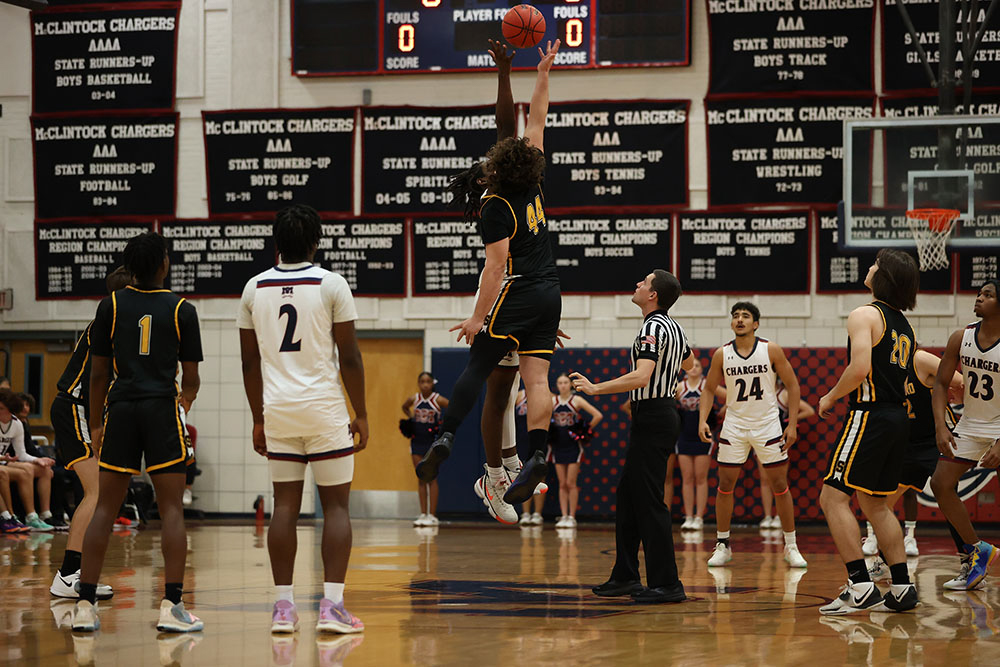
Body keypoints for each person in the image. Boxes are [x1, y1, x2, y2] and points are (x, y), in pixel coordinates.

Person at [417, 40, 564, 512]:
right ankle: (519, 461)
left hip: (512, 293)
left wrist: (477, 318)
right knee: (524, 386)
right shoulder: (533, 178)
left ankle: (461, 448)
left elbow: (495, 267)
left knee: (483, 375)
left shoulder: (495, 205)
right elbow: (532, 118)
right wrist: (539, 74)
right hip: (548, 293)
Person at [239, 204, 367, 635]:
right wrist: (362, 412)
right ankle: (332, 606)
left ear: (277, 243)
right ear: (316, 242)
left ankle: (282, 608)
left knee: (285, 507)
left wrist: (258, 419)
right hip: (324, 409)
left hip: (277, 410)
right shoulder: (332, 284)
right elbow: (349, 356)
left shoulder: (254, 288)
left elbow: (248, 363)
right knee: (335, 507)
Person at [73, 231, 204, 633]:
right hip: (162, 409)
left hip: (122, 410)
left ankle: (84, 605)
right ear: (164, 265)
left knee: (104, 509)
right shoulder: (183, 309)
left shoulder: (109, 305)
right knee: (171, 511)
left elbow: (98, 375)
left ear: (129, 268)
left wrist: (96, 423)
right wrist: (182, 406)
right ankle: (172, 606)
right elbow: (193, 379)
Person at [573, 270, 691, 604]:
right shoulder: (675, 328)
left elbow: (642, 376)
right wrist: (669, 383)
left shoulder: (653, 327)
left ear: (653, 295)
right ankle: (625, 575)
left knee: (650, 501)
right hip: (659, 414)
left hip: (653, 416)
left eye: (643, 282)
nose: (637, 284)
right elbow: (691, 363)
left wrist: (596, 388)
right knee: (628, 497)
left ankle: (667, 583)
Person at [817, 248, 920, 615]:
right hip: (896, 419)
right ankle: (903, 587)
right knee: (876, 504)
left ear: (885, 277)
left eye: (876, 264)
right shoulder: (904, 324)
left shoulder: (865, 313)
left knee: (831, 498)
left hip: (870, 415)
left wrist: (830, 396)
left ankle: (860, 584)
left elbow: (860, 368)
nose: (870, 267)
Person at [699, 302, 807, 569]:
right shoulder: (721, 354)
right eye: (735, 316)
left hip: (768, 424)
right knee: (725, 485)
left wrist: (791, 424)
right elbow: (709, 388)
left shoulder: (770, 349)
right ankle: (723, 544)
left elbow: (793, 386)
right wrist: (703, 419)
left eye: (745, 316)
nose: (739, 320)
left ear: (755, 323)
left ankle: (791, 545)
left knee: (780, 485)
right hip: (735, 424)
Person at [49, 266, 131, 600]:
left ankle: (78, 573)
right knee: (96, 493)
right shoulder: (109, 323)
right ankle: (67, 574)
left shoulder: (113, 323)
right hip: (75, 407)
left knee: (103, 494)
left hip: (82, 409)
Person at [865, 349, 969, 583]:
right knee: (881, 504)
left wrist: (956, 396)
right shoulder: (880, 371)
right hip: (906, 443)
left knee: (948, 498)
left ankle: (969, 562)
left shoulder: (920, 359)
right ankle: (886, 561)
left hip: (936, 440)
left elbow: (961, 382)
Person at [930, 278, 1000, 591]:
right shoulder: (962, 336)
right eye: (979, 293)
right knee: (941, 484)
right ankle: (976, 551)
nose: (980, 298)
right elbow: (941, 384)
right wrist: (941, 425)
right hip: (971, 424)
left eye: (988, 295)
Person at [548, 372, 602, 528]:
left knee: (571, 483)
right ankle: (563, 516)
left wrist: (583, 431)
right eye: (560, 383)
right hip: (557, 445)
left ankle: (572, 516)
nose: (563, 385)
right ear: (557, 386)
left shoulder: (576, 400)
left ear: (570, 385)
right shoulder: (553, 401)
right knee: (562, 483)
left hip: (573, 447)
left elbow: (597, 415)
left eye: (565, 382)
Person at [675, 358, 722, 531]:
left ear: (702, 369)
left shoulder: (707, 386)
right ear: (685, 369)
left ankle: (699, 517)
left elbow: (730, 397)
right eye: (691, 366)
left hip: (703, 435)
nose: (694, 368)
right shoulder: (679, 387)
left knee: (701, 478)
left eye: (697, 366)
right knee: (687, 478)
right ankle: (688, 517)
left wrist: (717, 416)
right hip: (684, 435)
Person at [0, 390, 56, 531]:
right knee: (23, 470)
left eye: (1, 408)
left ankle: (42, 515)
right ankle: (16, 516)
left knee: (44, 470)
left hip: (5, 461)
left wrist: (39, 460)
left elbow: (22, 453)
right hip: (3, 462)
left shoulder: (16, 424)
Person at [401, 372, 449, 527]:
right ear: (418, 383)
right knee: (421, 477)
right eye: (422, 381)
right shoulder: (414, 399)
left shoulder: (438, 399)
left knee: (432, 477)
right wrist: (410, 419)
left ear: (432, 383)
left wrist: (444, 424)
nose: (425, 384)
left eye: (428, 381)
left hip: (432, 442)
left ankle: (432, 515)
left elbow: (453, 407)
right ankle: (423, 514)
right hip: (417, 441)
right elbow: (404, 406)